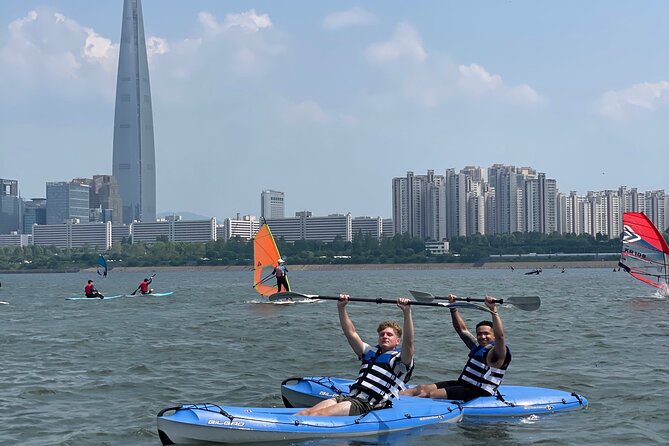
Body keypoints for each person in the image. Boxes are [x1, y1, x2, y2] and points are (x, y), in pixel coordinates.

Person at [296, 294, 414, 416]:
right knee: (306, 412)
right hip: (349, 397)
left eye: (389, 335)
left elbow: (409, 343)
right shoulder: (369, 352)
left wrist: (407, 312)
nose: (385, 336)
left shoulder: (400, 360)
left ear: (398, 341)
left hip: (366, 403)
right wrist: (341, 308)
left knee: (318, 415)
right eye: (382, 334)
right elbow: (350, 333)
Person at [401, 294, 510, 402]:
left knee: (430, 394)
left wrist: (493, 310)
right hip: (463, 384)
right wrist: (453, 307)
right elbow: (461, 329)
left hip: (479, 391)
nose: (482, 337)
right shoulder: (478, 347)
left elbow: (500, 337)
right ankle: (391, 396)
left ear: (494, 335)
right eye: (479, 334)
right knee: (421, 388)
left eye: (486, 334)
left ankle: (404, 406)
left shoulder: (499, 352)